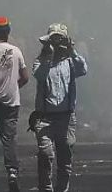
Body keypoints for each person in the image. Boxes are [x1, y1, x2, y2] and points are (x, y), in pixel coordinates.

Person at [32, 23, 87, 192]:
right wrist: (48, 56)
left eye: (59, 39)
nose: (56, 43)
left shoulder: (70, 62)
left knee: (65, 159)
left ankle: (62, 189)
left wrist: (71, 50)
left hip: (66, 117)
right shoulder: (40, 61)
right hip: (45, 117)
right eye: (53, 39)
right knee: (45, 154)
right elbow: (39, 75)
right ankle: (46, 189)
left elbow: (83, 69)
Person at [0, 17, 28, 192]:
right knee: (9, 139)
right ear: (8, 31)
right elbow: (25, 77)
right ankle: (12, 172)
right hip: (10, 103)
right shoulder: (15, 51)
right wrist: (12, 87)